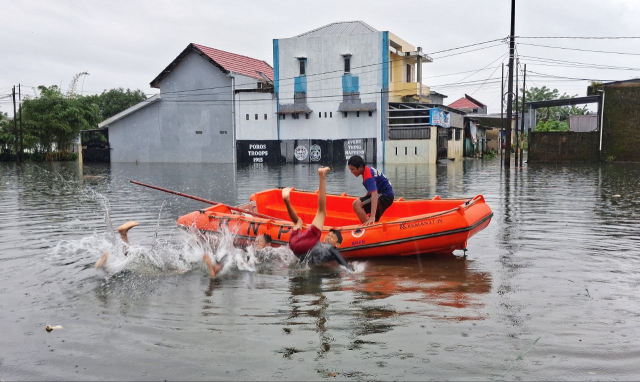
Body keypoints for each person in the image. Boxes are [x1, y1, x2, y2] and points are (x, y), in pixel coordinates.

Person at [282, 167, 353, 271]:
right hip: (303, 246)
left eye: (332, 237)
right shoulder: (329, 249)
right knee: (321, 212)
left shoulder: (330, 248)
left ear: (337, 244)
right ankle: (321, 176)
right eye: (329, 235)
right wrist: (351, 270)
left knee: (298, 222)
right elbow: (341, 261)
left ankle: (287, 202)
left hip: (294, 243)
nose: (328, 237)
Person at [347, 155, 394, 226]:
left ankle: (368, 227)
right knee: (363, 208)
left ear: (360, 168)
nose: (351, 172)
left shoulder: (368, 175)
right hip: (384, 195)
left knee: (356, 204)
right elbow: (375, 186)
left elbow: (374, 194)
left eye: (352, 169)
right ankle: (371, 225)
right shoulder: (367, 170)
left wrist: (372, 216)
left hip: (385, 196)